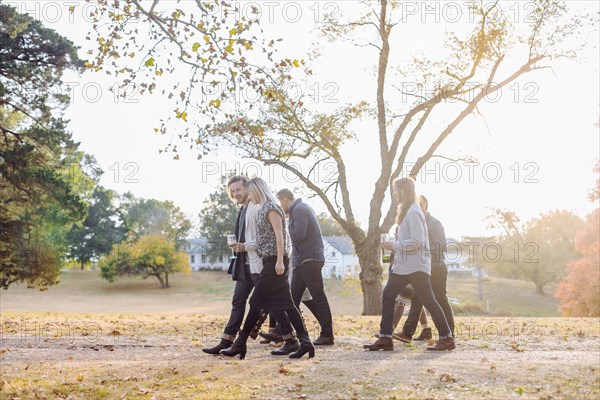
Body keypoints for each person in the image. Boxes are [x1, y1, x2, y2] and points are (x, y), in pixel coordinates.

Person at [220, 178, 315, 359]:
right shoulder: (263, 208)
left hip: (274, 263)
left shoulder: (271, 207)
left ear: (256, 190)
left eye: (249, 192)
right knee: (288, 305)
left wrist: (280, 261)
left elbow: (281, 237)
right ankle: (305, 343)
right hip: (270, 261)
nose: (247, 196)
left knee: (255, 303)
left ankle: (240, 343)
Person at [363, 177, 455, 351]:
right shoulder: (406, 211)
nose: (394, 194)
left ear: (403, 191)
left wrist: (395, 246)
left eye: (395, 190)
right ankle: (385, 337)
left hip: (416, 266)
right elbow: (408, 239)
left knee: (429, 301)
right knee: (388, 295)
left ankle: (447, 338)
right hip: (404, 266)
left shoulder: (413, 212)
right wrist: (393, 243)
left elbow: (418, 242)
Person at [202, 175, 257, 355]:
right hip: (243, 264)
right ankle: (226, 341)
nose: (235, 193)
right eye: (232, 191)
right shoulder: (241, 210)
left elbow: (263, 238)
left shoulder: (255, 208)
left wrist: (245, 246)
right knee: (238, 301)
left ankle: (291, 338)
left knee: (270, 302)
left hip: (257, 264)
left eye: (238, 189)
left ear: (247, 189)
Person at [394, 195, 455, 342]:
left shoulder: (434, 223)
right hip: (420, 268)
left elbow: (442, 247)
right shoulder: (412, 223)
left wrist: (421, 249)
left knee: (440, 299)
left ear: (424, 206)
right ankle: (408, 333)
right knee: (416, 298)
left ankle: (450, 333)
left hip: (436, 268)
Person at [277, 189, 334, 346]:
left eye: (280, 203)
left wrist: (285, 227)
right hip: (303, 260)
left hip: (309, 260)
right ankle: (283, 332)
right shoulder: (300, 209)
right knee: (292, 299)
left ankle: (327, 335)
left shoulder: (300, 209)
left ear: (285, 199)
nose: (280, 208)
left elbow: (299, 235)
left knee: (318, 297)